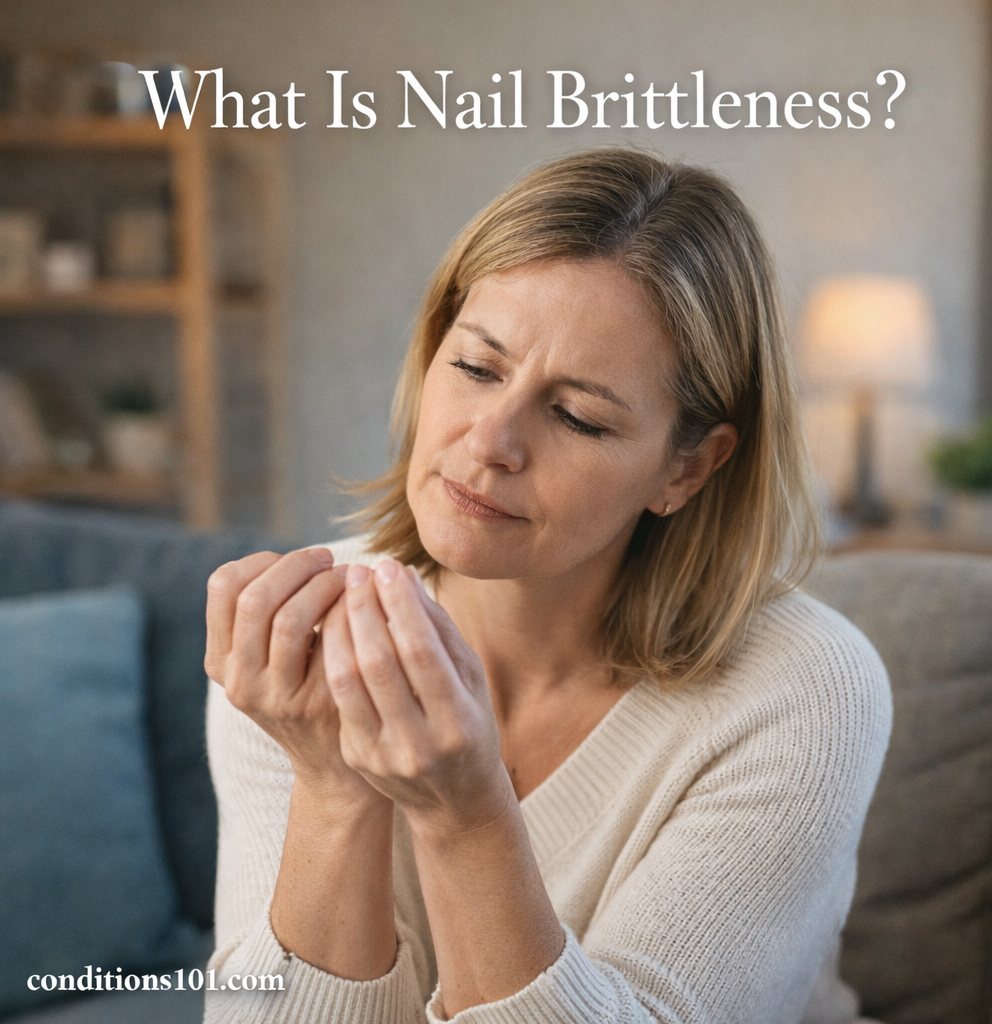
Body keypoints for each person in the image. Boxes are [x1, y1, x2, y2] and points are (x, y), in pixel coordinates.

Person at [202, 148, 891, 1024]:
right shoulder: (295, 638)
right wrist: (334, 791)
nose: (490, 442)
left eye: (577, 417)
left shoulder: (805, 689)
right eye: (476, 368)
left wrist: (466, 816)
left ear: (686, 467)